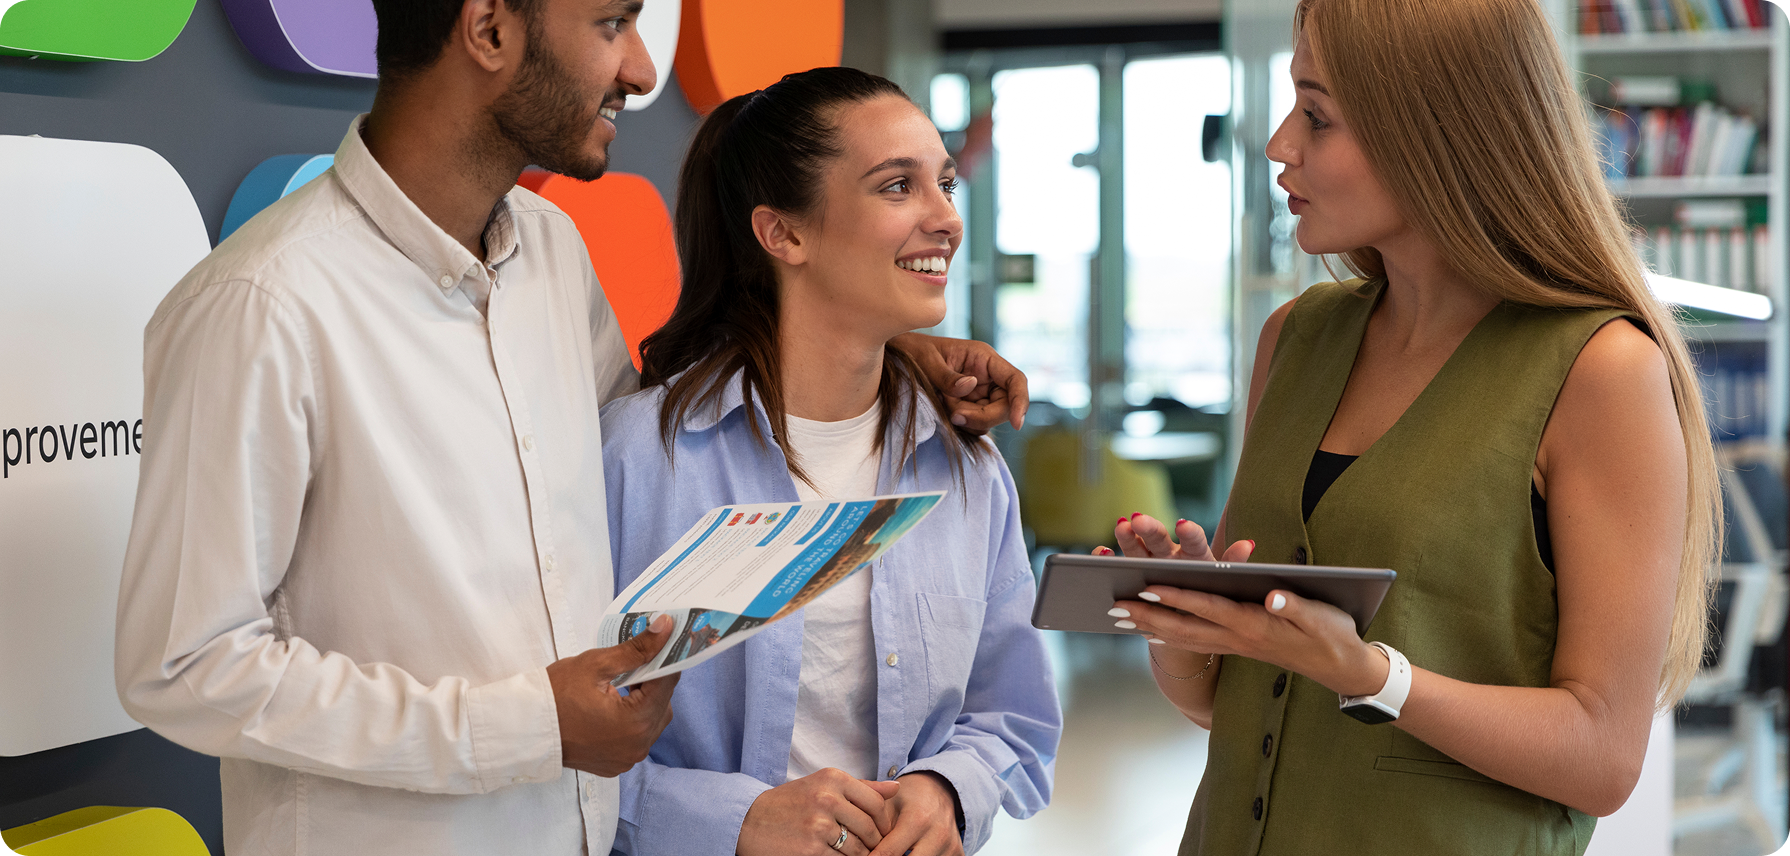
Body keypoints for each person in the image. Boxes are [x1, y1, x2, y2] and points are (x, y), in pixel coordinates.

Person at [111, 1, 1029, 852]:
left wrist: (896, 355)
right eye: (611, 22)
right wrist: (530, 727)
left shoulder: (550, 252)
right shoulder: (260, 305)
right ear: (489, 30)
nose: (637, 67)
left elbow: (666, 431)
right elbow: (183, 667)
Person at [1105, 1, 1719, 853]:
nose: (1282, 144)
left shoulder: (1601, 371)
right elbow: (1231, 703)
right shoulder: (1296, 337)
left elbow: (1602, 759)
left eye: (1316, 115)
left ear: (1436, 134)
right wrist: (1182, 627)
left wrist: (1372, 675)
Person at [600, 67, 1061, 856]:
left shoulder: (966, 471)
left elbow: (1010, 715)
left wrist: (946, 789)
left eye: (945, 182)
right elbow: (552, 743)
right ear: (784, 234)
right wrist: (729, 823)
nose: (946, 216)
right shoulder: (639, 459)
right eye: (897, 187)